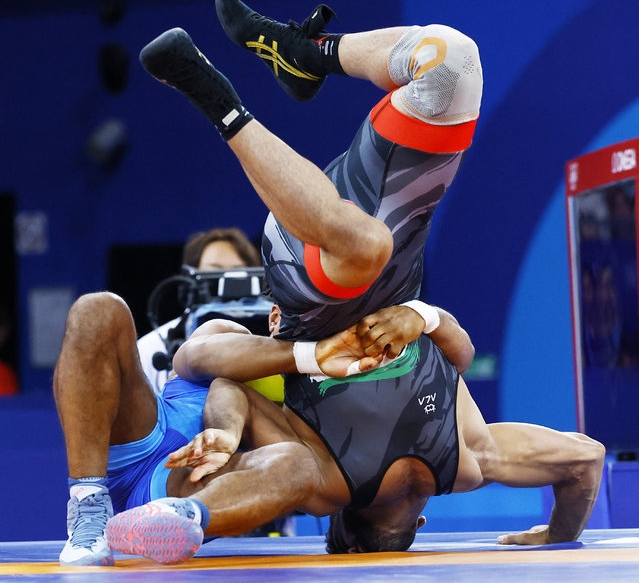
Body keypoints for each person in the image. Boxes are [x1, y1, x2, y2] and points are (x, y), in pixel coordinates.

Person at [101, 294, 604, 563]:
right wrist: (228, 435)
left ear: (418, 526)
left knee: (211, 344)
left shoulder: (471, 460)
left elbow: (585, 457)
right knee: (204, 347)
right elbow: (223, 384)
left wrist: (557, 536)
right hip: (316, 291)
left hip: (379, 277)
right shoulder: (328, 487)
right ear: (348, 530)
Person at [138, 0, 483, 345]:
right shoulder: (427, 377)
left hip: (309, 264)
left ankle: (217, 101)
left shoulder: (283, 382)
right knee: (453, 65)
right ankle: (308, 53)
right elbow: (464, 350)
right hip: (392, 248)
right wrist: (421, 315)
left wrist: (307, 359)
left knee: (367, 244)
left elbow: (195, 358)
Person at [54, 289, 454, 565]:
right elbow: (195, 357)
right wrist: (304, 355)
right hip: (147, 436)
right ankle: (88, 503)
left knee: (298, 465)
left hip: (194, 482)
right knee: (98, 310)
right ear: (274, 319)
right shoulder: (239, 339)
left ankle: (175, 520)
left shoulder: (341, 426)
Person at [137, 227, 261, 393]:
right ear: (189, 281)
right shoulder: (151, 347)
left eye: (237, 271)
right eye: (215, 271)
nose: (225, 280)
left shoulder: (274, 335)